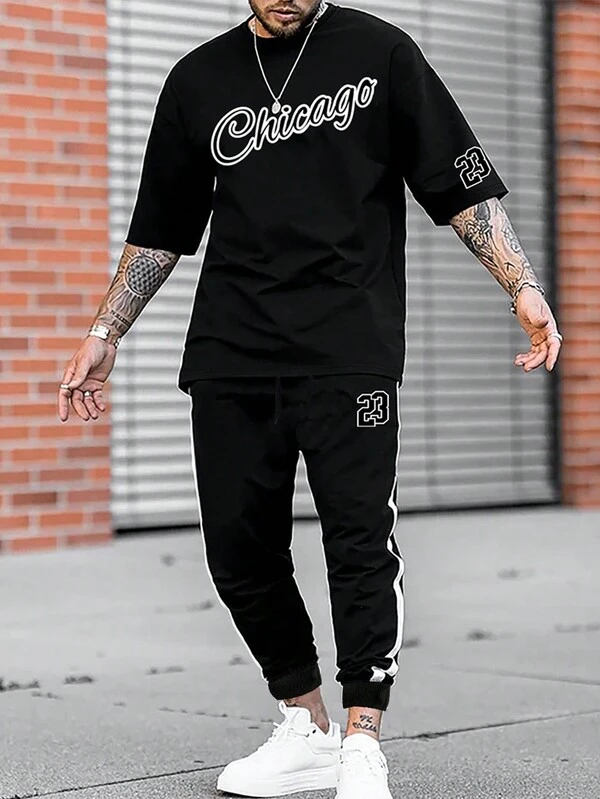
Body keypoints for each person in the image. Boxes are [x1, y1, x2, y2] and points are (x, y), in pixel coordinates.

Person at [58, 1, 563, 796]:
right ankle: (306, 725)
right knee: (237, 550)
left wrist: (522, 284)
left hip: (348, 348)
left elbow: (460, 184)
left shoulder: (382, 54)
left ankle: (362, 740)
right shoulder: (197, 79)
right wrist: (105, 331)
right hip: (231, 351)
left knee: (359, 542)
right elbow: (160, 227)